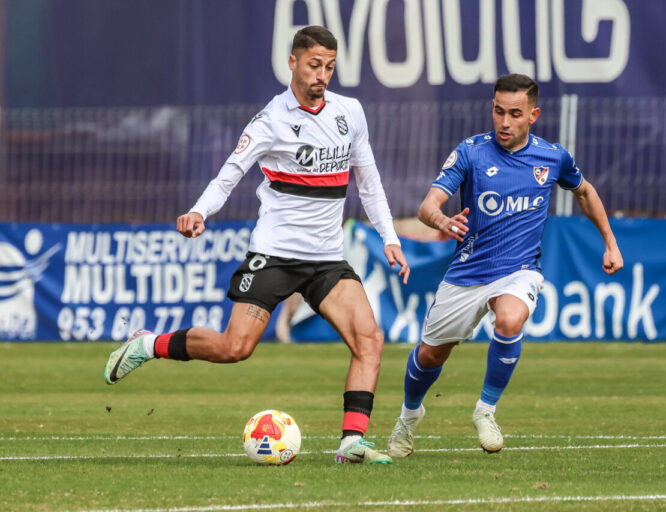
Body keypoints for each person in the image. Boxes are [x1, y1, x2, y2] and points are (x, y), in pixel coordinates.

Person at [103, 26, 409, 465]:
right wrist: (199, 212)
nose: (322, 75)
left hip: (325, 259)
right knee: (235, 348)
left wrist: (390, 238)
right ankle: (147, 345)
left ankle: (351, 443)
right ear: (292, 62)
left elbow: (371, 182)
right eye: (313, 65)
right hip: (275, 256)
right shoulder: (271, 120)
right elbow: (230, 172)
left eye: (329, 66)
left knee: (370, 339)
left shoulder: (351, 112)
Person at [386, 74, 623, 457]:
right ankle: (408, 417)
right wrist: (443, 221)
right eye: (499, 111)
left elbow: (585, 191)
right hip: (467, 273)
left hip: (519, 270)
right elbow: (427, 206)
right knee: (431, 355)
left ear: (533, 115)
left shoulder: (552, 156)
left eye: (515, 114)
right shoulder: (471, 152)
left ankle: (486, 410)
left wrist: (610, 244)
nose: (504, 122)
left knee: (511, 319)